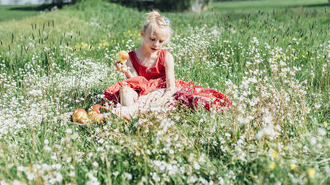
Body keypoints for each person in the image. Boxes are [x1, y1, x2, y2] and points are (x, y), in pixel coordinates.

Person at [98, 11, 231, 120]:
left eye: (161, 41)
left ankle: (124, 114)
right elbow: (136, 82)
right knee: (125, 90)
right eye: (152, 39)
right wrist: (126, 71)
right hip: (140, 92)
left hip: (160, 92)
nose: (156, 44)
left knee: (153, 96)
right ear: (142, 34)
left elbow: (171, 87)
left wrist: (162, 101)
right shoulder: (131, 57)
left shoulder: (166, 57)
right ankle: (132, 116)